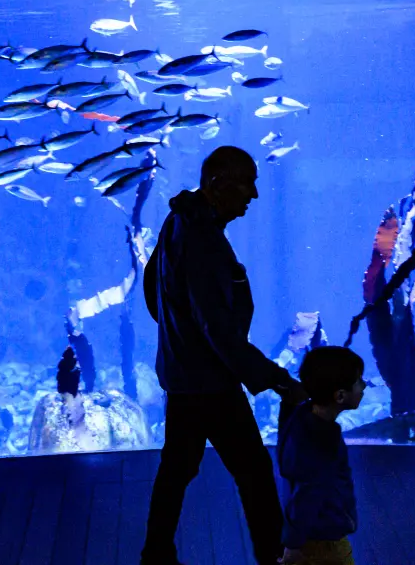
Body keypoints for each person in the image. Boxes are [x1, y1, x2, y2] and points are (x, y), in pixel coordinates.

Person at [141, 146, 307, 565]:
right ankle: (274, 559)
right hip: (209, 383)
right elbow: (219, 331)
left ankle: (155, 555)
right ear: (217, 186)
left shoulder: (179, 219)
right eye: (246, 182)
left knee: (176, 470)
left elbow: (152, 287)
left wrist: (175, 338)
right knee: (253, 473)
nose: (253, 193)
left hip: (183, 376)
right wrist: (277, 378)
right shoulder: (204, 241)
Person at [278, 346, 366, 565]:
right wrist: (293, 544)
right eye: (358, 382)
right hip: (325, 540)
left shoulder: (301, 416)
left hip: (312, 534)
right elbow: (308, 494)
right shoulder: (324, 439)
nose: (364, 386)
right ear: (340, 395)